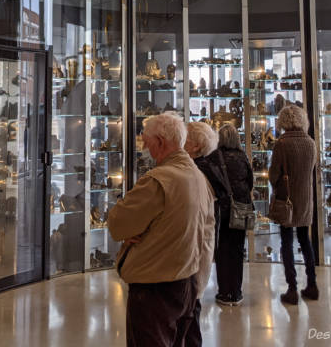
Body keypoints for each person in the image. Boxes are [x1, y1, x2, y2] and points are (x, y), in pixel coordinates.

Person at [108, 114, 215, 347]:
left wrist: (136, 228)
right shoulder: (198, 177)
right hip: (187, 281)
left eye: (147, 142)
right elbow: (204, 231)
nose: (145, 147)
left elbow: (117, 224)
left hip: (154, 285)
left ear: (161, 141)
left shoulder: (158, 180)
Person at [269, 105, 318, 305]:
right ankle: (312, 284)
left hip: (287, 199)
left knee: (287, 242)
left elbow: (274, 175)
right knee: (305, 241)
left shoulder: (282, 143)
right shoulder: (311, 143)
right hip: (306, 198)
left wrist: (277, 185)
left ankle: (292, 288)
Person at [183, 121, 225, 346]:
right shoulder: (205, 167)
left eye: (186, 138)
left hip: (195, 249)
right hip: (198, 249)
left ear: (197, 146)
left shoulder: (198, 171)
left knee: (190, 310)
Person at [213, 124, 253, 306]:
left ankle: (224, 292)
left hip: (222, 209)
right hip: (241, 208)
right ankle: (236, 292)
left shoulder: (216, 157)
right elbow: (250, 181)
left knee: (222, 250)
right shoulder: (242, 156)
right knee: (237, 251)